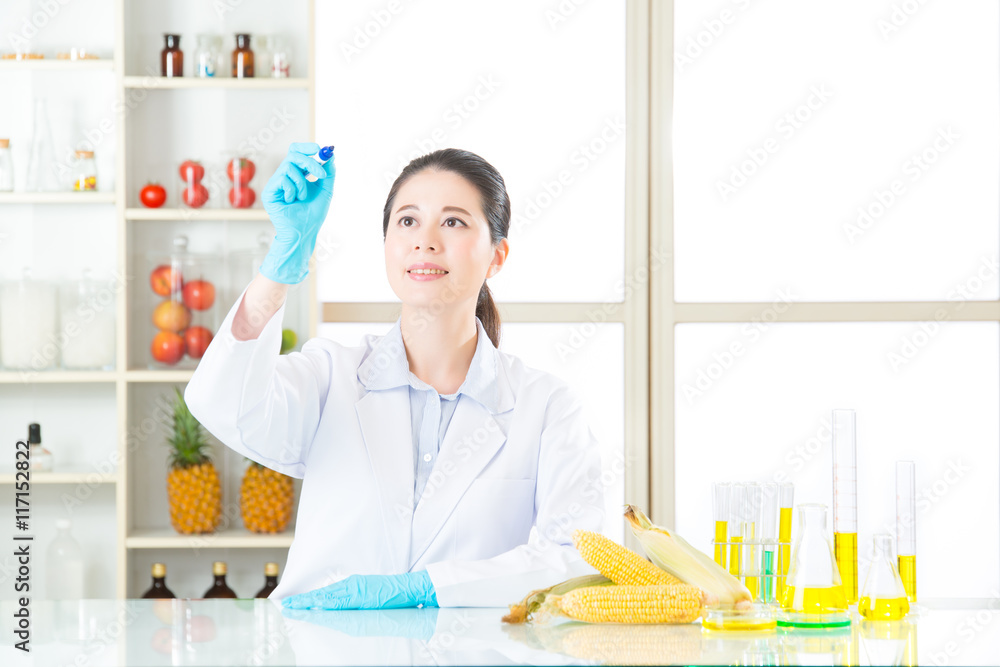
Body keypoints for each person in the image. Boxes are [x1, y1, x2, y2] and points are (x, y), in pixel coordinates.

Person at [184, 142, 605, 609]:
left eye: (453, 221)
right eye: (407, 220)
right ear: (387, 244)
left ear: (497, 256)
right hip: (329, 654)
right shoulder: (332, 377)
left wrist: (430, 589)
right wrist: (281, 263)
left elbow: (575, 560)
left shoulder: (546, 407)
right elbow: (222, 403)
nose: (425, 239)